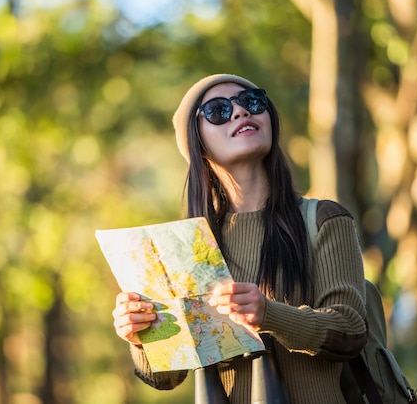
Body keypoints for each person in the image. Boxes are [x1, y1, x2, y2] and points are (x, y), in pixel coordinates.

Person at [111, 73, 368, 403]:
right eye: (218, 110)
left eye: (252, 102)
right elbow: (167, 377)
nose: (240, 112)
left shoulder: (322, 219)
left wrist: (268, 315)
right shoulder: (185, 248)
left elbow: (350, 330)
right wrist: (140, 334)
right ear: (197, 142)